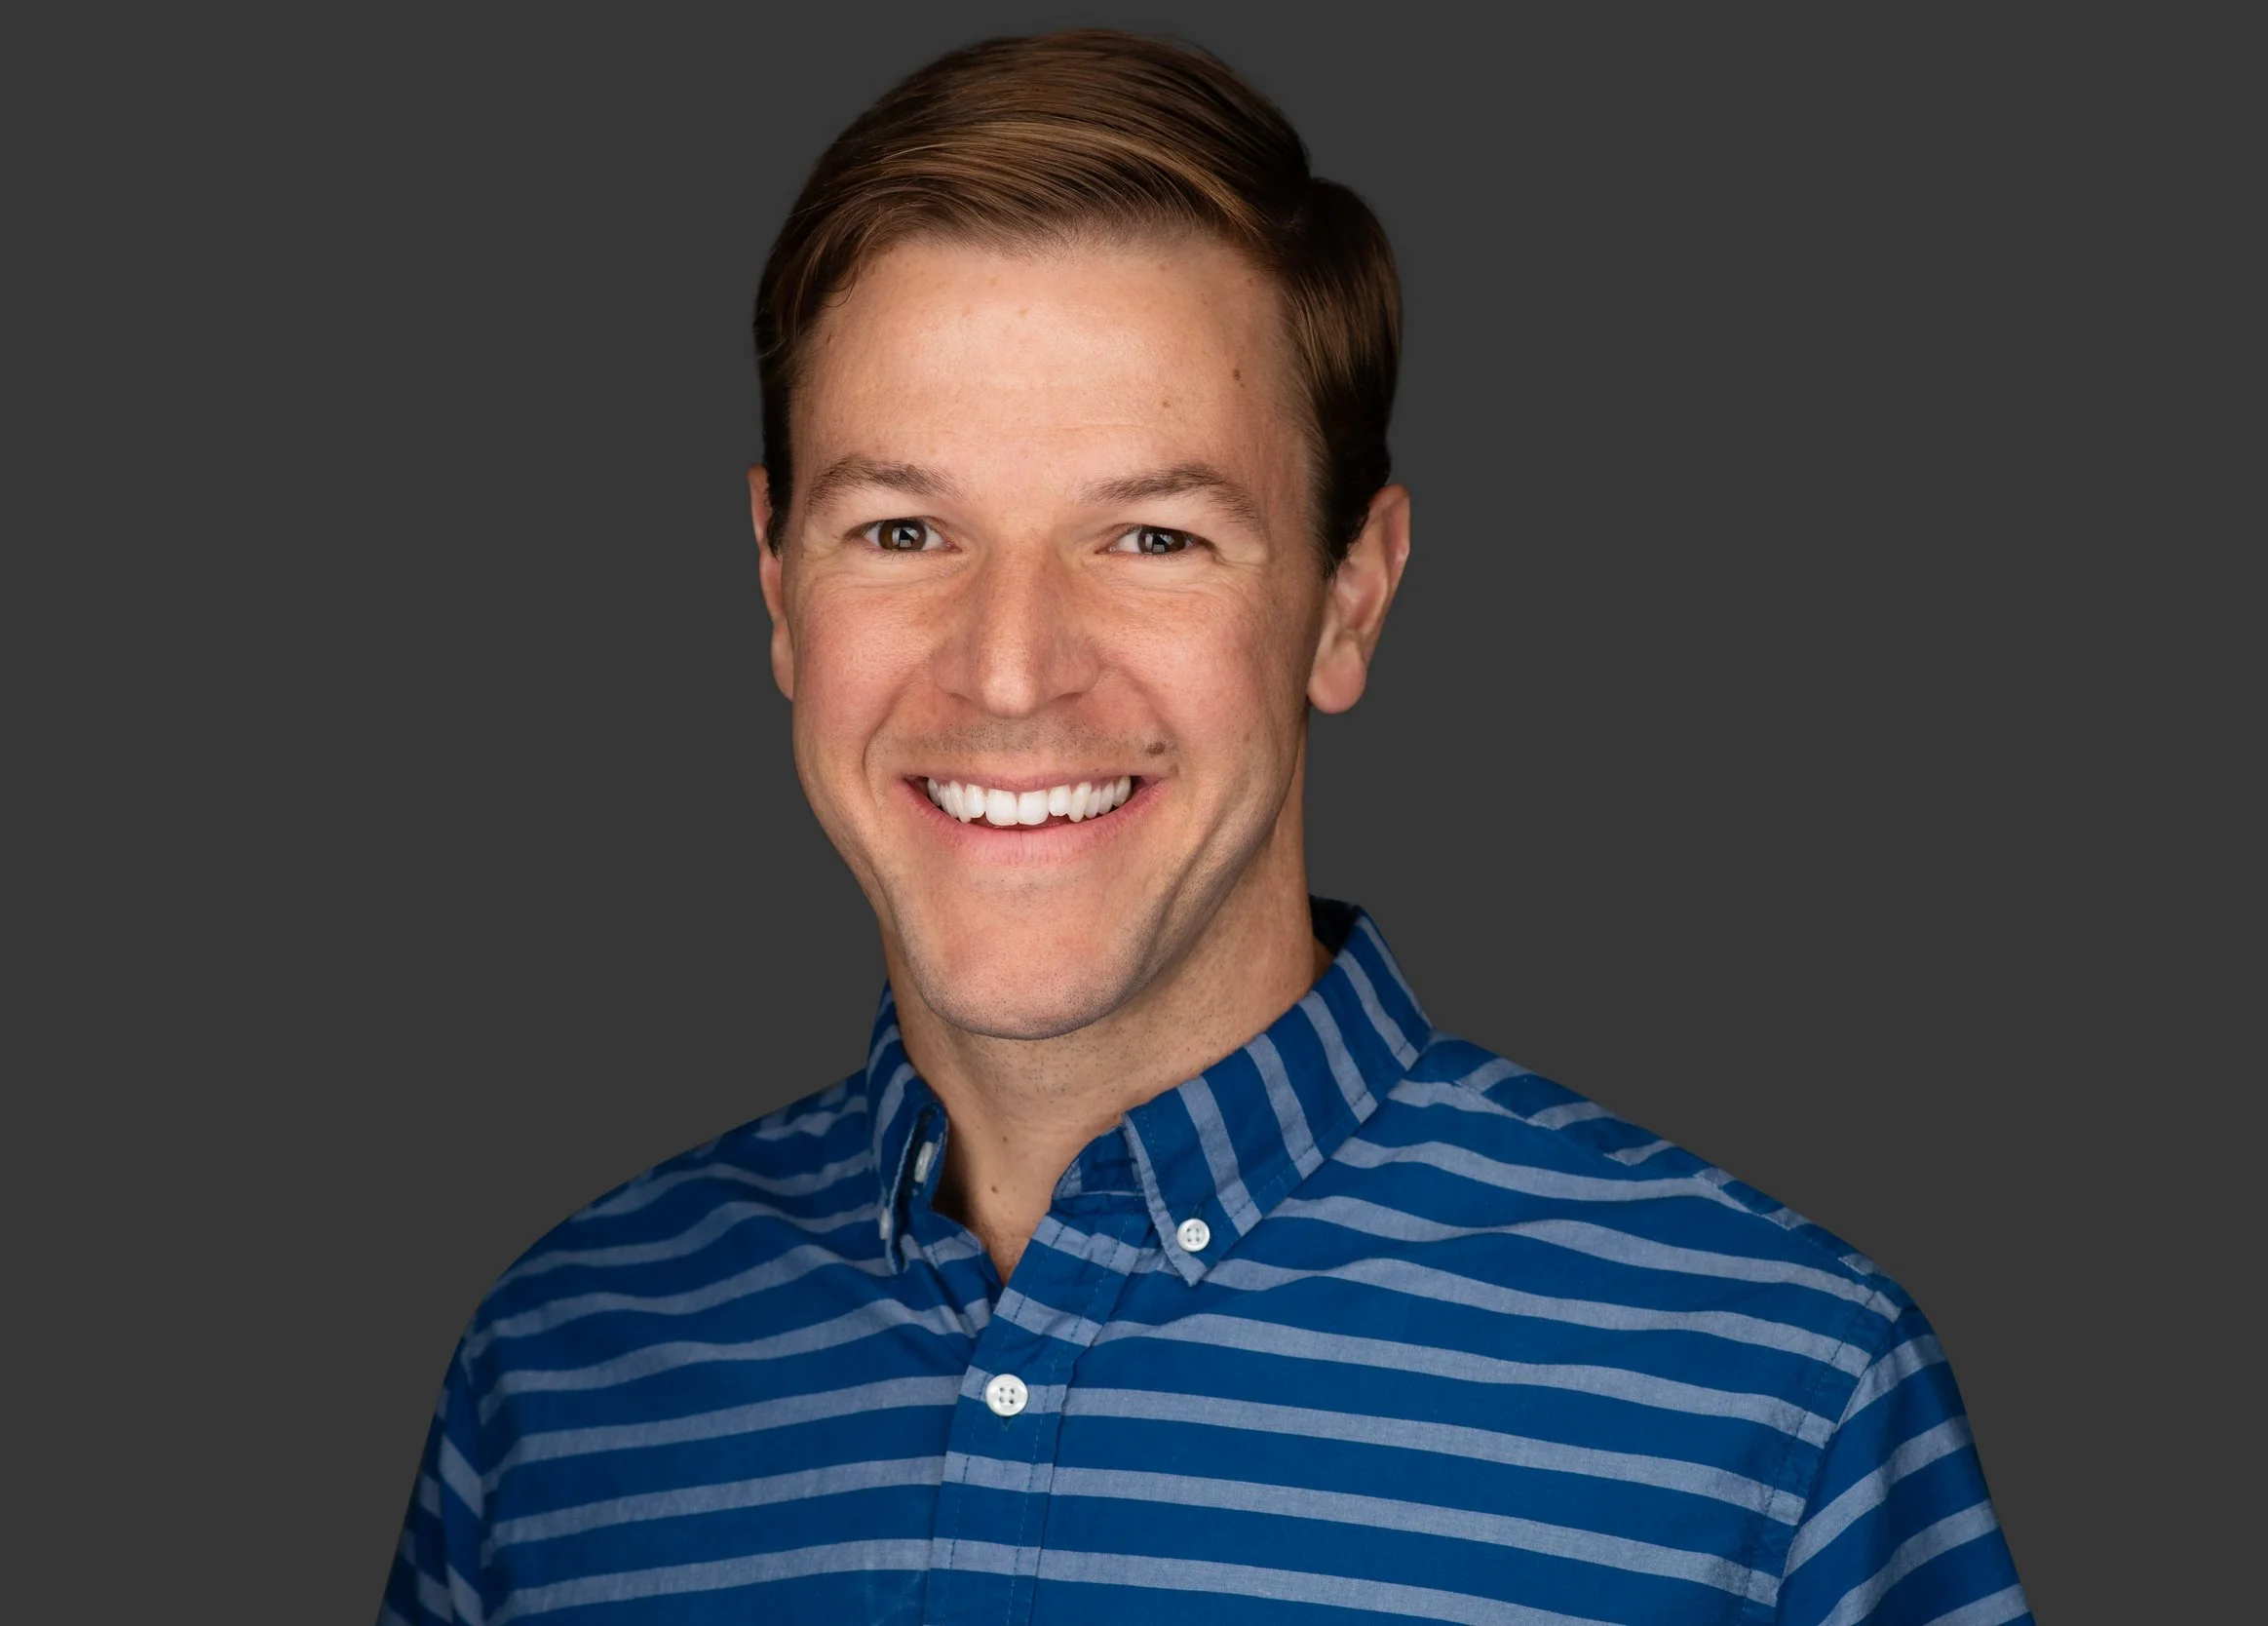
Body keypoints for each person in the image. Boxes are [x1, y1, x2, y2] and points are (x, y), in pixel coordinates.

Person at [382, 29, 2028, 1625]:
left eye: (1154, 539)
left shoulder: (1771, 1397)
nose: (1011, 671)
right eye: (902, 528)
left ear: (1348, 600)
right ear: (776, 584)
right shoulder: (560, 1376)